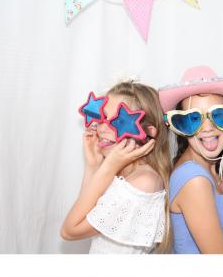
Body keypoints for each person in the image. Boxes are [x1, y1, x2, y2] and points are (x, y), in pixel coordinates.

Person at [158, 66, 223, 254]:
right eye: (193, 119)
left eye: (218, 115)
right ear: (181, 126)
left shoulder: (222, 163)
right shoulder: (194, 181)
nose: (207, 128)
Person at [61, 81, 169, 253]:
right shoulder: (121, 174)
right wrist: (93, 166)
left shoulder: (145, 182)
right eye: (101, 118)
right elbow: (85, 213)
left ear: (148, 132)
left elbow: (69, 231)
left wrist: (108, 167)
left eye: (119, 121)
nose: (103, 128)